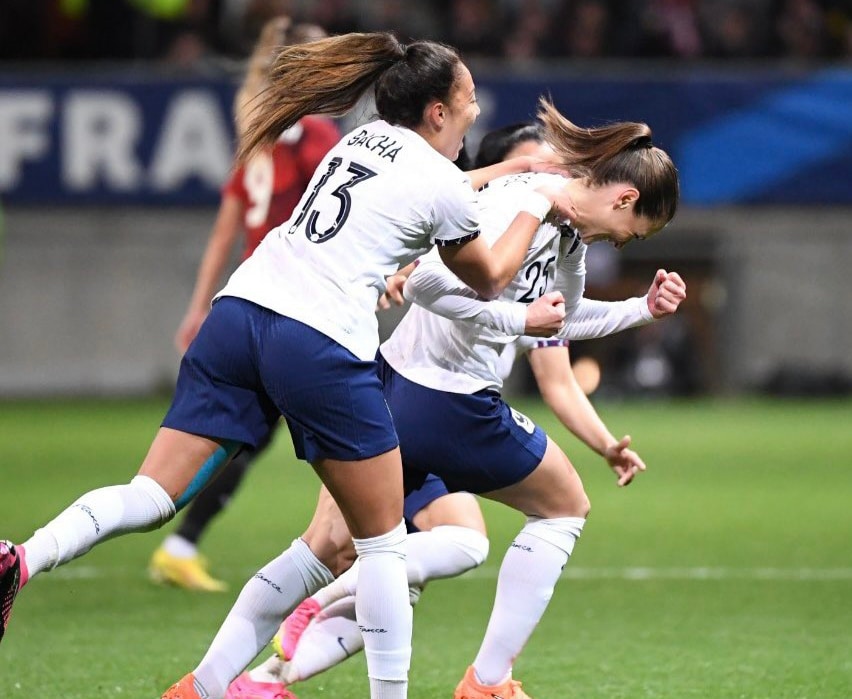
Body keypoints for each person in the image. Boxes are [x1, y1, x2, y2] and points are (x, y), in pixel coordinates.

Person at [0, 33, 579, 699]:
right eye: (468, 101)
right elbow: (489, 276)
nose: (475, 113)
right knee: (383, 544)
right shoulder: (439, 182)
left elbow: (444, 184)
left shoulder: (357, 140)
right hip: (316, 339)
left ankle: (23, 556)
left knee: (151, 495)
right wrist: (537, 202)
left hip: (241, 311)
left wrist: (509, 175)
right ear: (437, 113)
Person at [220, 110, 686, 699]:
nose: (625, 241)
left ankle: (228, 681)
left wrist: (642, 308)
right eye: (635, 231)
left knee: (335, 551)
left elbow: (560, 322)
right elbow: (424, 285)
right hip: (448, 400)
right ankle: (487, 683)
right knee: (563, 507)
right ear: (624, 199)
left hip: (390, 384)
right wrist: (517, 316)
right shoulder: (519, 205)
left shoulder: (568, 232)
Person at [150, 17, 341, 593]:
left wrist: (199, 304)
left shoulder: (258, 132)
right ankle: (357, 553)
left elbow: (225, 230)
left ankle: (176, 539)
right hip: (298, 304)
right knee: (350, 431)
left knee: (250, 435)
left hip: (251, 294)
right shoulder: (316, 137)